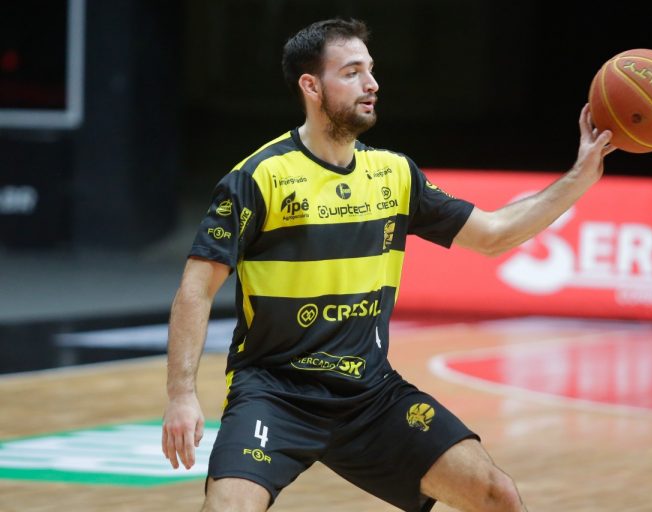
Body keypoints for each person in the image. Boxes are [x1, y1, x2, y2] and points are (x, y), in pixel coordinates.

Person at [162, 18, 614, 512]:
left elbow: (494, 235)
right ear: (311, 86)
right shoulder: (258, 177)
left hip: (369, 394)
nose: (372, 83)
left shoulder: (394, 174)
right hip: (275, 393)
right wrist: (181, 395)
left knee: (496, 493)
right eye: (352, 72)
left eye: (370, 70)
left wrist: (580, 175)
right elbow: (196, 289)